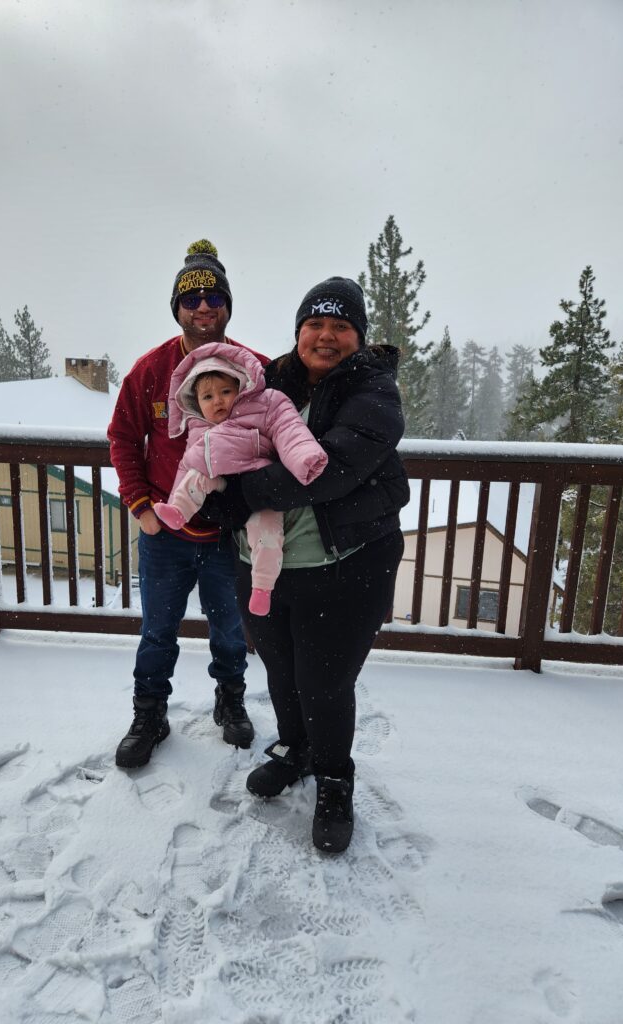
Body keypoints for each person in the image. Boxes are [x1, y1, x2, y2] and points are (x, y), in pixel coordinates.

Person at [218, 276, 409, 853]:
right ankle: (295, 749)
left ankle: (334, 778)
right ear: (298, 332)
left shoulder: (374, 392)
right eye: (314, 325)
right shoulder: (269, 379)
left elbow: (330, 468)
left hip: (346, 564)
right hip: (267, 566)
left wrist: (244, 494)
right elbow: (220, 426)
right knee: (280, 670)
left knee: (324, 681)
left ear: (358, 336)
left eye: (340, 326)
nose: (325, 337)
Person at [107, 240, 268, 769]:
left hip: (227, 535)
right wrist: (139, 506)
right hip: (165, 535)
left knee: (230, 630)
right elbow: (123, 437)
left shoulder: (251, 368)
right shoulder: (150, 371)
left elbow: (294, 406)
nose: (203, 307)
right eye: (191, 299)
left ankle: (231, 700)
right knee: (157, 631)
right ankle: (149, 712)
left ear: (227, 304)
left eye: (214, 296)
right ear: (176, 308)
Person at [153, 342, 328, 616]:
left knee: (268, 535)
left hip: (261, 484)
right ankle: (178, 512)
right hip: (221, 482)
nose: (218, 401)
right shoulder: (199, 428)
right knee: (195, 477)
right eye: (207, 397)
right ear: (195, 403)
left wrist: (305, 457)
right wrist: (176, 497)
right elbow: (187, 465)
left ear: (241, 387)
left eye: (225, 391)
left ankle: (262, 588)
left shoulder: (264, 405)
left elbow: (290, 430)